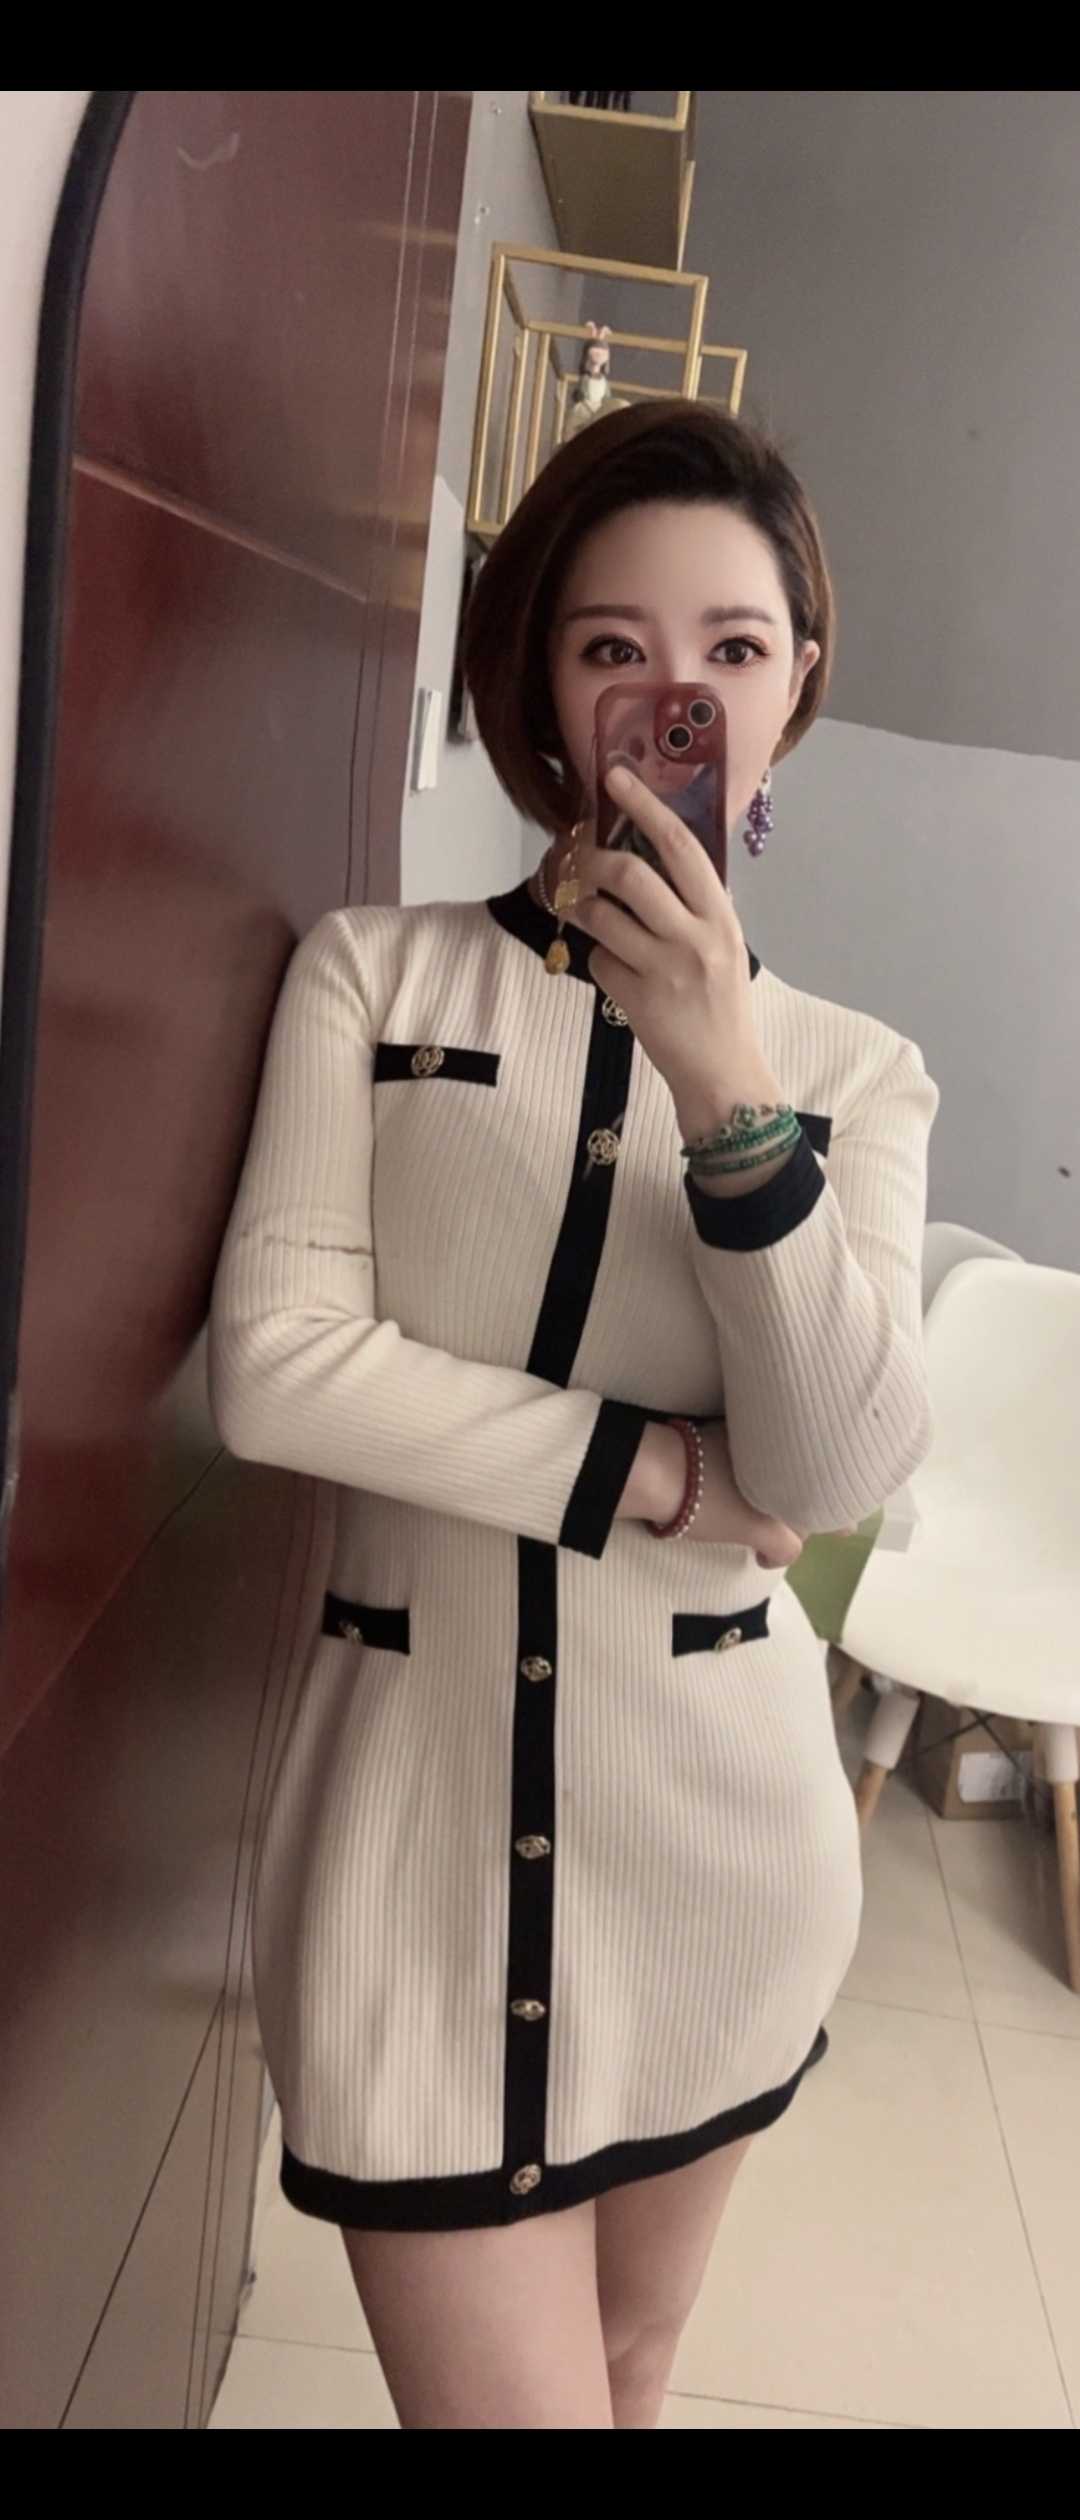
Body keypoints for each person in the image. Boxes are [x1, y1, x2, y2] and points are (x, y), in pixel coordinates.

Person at [207, 399, 940, 2430]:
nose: (672, 696)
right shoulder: (376, 979)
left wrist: (724, 1083)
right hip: (413, 1858)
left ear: (796, 684)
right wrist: (657, 1474)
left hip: (728, 1858)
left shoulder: (854, 1073)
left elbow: (839, 1472)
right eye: (615, 645)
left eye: (732, 647)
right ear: (540, 677)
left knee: (631, 2366)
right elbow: (278, 1369)